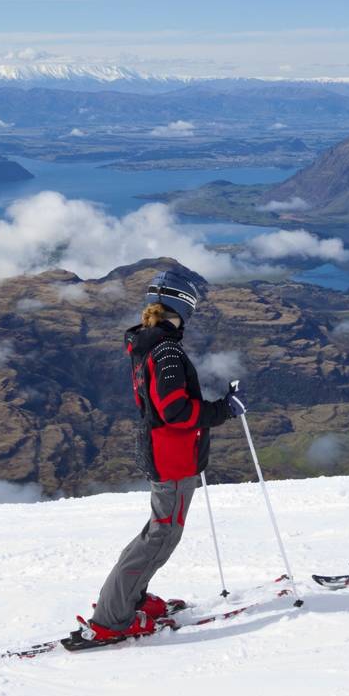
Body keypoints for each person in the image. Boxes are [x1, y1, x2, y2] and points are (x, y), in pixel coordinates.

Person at [77, 270, 245, 642]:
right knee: (160, 537)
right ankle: (112, 618)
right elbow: (176, 411)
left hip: (163, 452)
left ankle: (130, 599)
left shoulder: (147, 343)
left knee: (158, 532)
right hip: (173, 457)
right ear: (183, 308)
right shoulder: (166, 349)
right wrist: (224, 410)